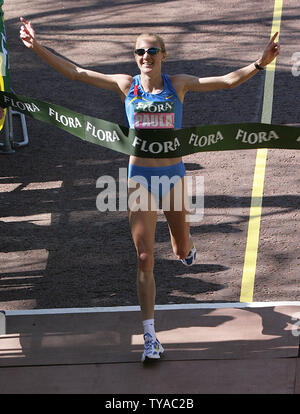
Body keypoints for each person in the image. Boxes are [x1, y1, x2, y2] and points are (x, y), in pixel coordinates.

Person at [19, 17, 280, 362]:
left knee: (179, 246)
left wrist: (260, 63)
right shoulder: (127, 86)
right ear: (135, 57)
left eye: (152, 51)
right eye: (140, 51)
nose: (146, 56)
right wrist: (37, 46)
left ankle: (187, 247)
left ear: (164, 55)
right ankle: (150, 337)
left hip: (172, 177)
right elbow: (76, 73)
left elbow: (227, 82)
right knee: (144, 258)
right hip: (139, 180)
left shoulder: (179, 85)